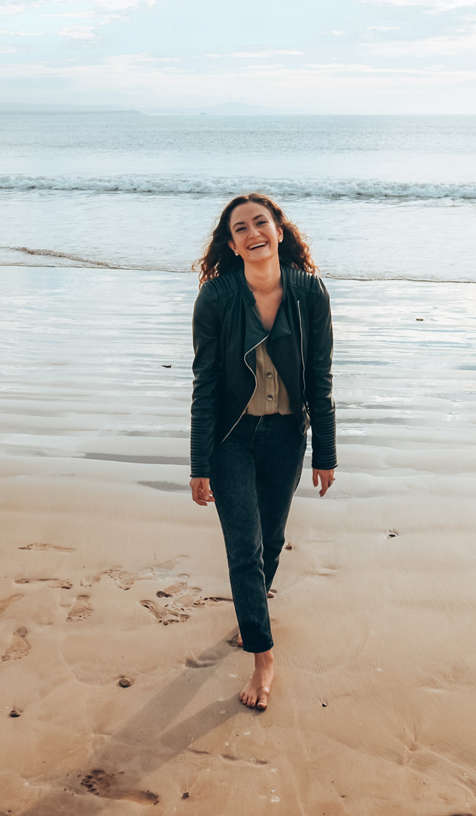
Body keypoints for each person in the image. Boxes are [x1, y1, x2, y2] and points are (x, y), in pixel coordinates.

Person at [190, 193, 336, 711]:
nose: (253, 233)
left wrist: (326, 450)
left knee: (271, 539)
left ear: (278, 231)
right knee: (244, 549)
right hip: (230, 438)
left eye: (261, 222)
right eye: (241, 228)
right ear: (231, 245)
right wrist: (198, 463)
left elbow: (320, 377)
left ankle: (250, 612)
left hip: (285, 437)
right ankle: (263, 654)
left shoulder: (308, 293)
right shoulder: (217, 298)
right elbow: (205, 384)